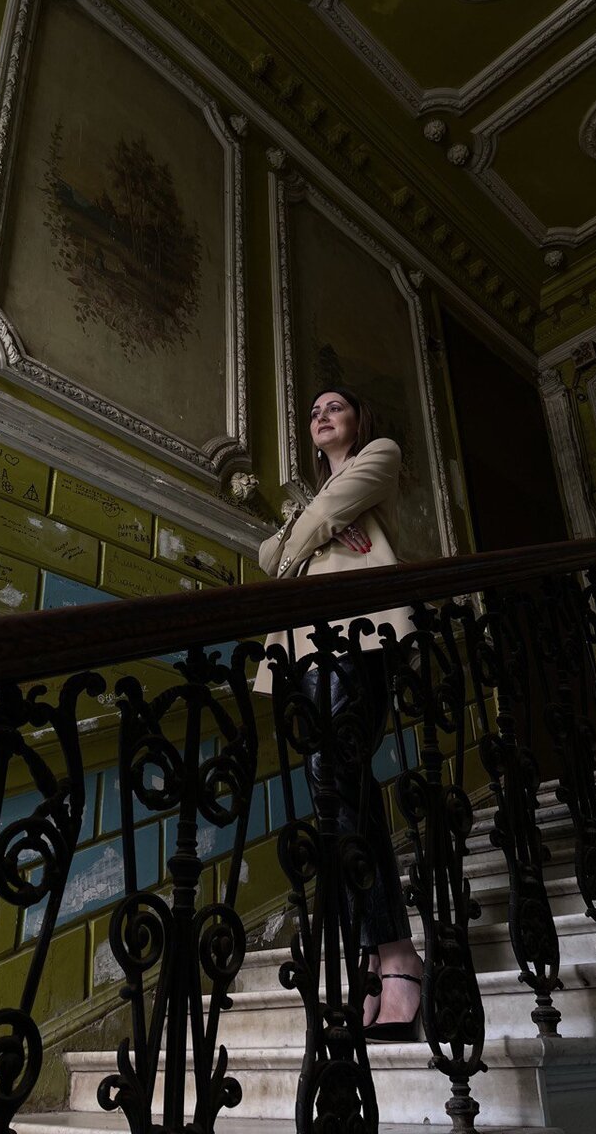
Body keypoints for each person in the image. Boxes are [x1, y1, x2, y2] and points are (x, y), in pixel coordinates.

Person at [253, 387, 423, 1042]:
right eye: (314, 411)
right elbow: (267, 556)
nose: (321, 415)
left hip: (358, 635)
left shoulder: (381, 455)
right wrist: (313, 528)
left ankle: (392, 953)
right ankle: (377, 951)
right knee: (338, 787)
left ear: (359, 419)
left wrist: (307, 532)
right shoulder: (313, 501)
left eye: (335, 407)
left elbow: (301, 536)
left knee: (338, 776)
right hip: (303, 648)